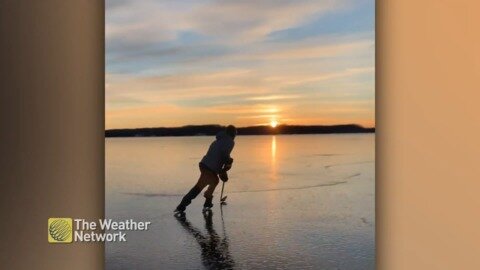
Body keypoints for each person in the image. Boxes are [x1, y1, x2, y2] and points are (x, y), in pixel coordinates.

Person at [174, 125, 237, 213]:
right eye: (235, 133)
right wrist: (227, 165)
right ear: (232, 133)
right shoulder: (230, 141)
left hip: (205, 165)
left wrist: (224, 168)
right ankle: (186, 205)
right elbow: (224, 155)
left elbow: (221, 154)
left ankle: (203, 203)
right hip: (209, 168)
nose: (235, 136)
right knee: (202, 186)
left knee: (211, 182)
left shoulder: (219, 140)